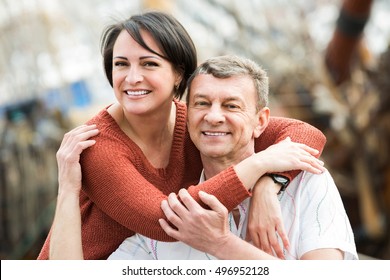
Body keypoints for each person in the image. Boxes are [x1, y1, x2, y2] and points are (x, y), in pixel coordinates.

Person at [40, 11, 326, 260]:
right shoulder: (96, 145)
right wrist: (257, 166)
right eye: (121, 64)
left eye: (149, 64)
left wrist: (269, 184)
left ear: (178, 73)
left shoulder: (197, 120)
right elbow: (164, 219)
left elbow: (305, 133)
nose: (132, 77)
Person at [106, 55, 357, 260]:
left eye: (231, 106)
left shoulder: (308, 183)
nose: (214, 116)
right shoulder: (174, 210)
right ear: (187, 116)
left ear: (260, 122)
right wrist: (69, 194)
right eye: (202, 103)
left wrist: (221, 244)